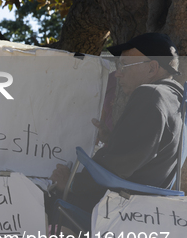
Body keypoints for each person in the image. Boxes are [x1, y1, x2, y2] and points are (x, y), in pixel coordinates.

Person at [50, 32, 183, 213]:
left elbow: (121, 166)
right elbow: (147, 153)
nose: (118, 74)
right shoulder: (176, 98)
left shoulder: (150, 95)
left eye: (125, 66)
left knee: (39, 200)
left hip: (117, 207)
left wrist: (72, 184)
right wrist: (112, 138)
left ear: (152, 68)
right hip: (145, 206)